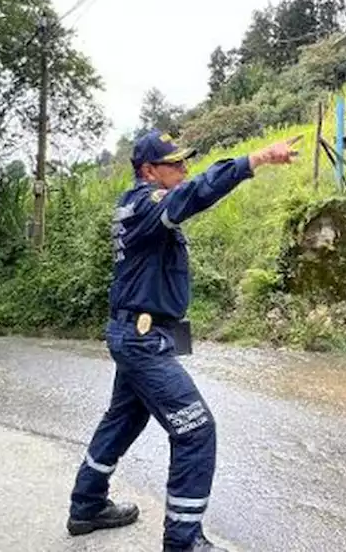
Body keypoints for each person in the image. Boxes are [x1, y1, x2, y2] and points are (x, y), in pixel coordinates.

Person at [66, 131, 298, 552]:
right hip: (141, 339)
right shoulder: (147, 204)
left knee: (124, 418)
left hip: (140, 332)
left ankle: (87, 506)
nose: (183, 169)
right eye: (174, 164)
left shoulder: (138, 206)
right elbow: (195, 193)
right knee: (196, 430)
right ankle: (183, 540)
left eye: (184, 163)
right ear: (149, 171)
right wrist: (257, 157)